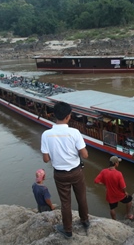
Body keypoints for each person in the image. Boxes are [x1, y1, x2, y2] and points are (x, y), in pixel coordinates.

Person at [41, 102, 89, 239]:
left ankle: (68, 229)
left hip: (60, 174)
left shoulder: (46, 134)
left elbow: (45, 159)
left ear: (54, 115)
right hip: (76, 171)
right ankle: (85, 221)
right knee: (82, 197)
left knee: (65, 202)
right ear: (69, 116)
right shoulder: (74, 132)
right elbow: (85, 155)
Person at [94, 156, 133, 220]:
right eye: (118, 162)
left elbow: (96, 181)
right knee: (129, 200)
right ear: (115, 163)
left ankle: (114, 221)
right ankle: (128, 214)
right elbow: (123, 187)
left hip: (110, 194)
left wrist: (104, 183)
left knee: (112, 208)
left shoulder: (104, 171)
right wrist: (125, 192)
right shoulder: (119, 174)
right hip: (119, 194)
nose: (118, 163)